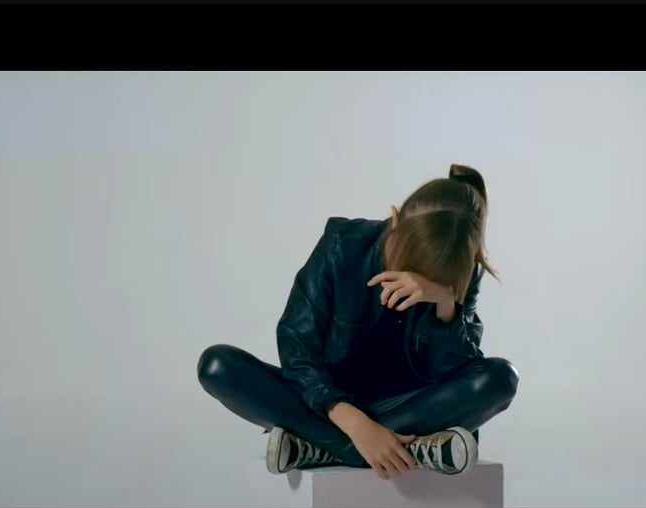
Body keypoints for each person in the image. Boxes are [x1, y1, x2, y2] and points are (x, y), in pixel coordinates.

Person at [197, 163, 519, 480]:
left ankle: (319, 446)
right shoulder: (341, 244)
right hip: (327, 402)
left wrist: (445, 302)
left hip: (408, 406)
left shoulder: (460, 272)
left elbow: (461, 374)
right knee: (217, 366)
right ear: (394, 219)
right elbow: (297, 348)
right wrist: (356, 425)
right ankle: (408, 450)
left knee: (501, 378)